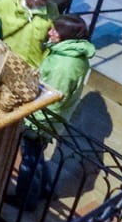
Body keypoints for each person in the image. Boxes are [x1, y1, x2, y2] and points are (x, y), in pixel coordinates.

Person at [11, 14, 95, 210]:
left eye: (55, 30)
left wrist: (33, 119)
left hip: (41, 120)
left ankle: (26, 200)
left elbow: (53, 100)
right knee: (36, 156)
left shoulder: (64, 65)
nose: (50, 32)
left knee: (30, 160)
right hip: (48, 118)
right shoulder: (68, 54)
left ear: (66, 35)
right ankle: (45, 190)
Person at [0, 0, 60, 67]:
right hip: (5, 61)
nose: (47, 3)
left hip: (33, 66)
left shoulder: (52, 10)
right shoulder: (5, 4)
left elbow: (54, 37)